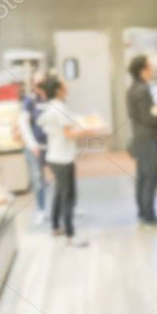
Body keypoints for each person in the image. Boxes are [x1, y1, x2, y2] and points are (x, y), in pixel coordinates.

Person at [38, 78, 100, 247]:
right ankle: (71, 236)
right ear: (58, 90)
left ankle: (56, 226)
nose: (68, 88)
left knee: (59, 194)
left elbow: (73, 119)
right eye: (65, 86)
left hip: (54, 157)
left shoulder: (52, 107)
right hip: (63, 159)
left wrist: (87, 120)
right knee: (69, 198)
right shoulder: (59, 108)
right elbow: (68, 133)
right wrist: (90, 130)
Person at [126, 55, 157, 229]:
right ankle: (149, 216)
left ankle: (143, 213)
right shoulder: (142, 90)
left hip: (140, 138)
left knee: (142, 177)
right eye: (149, 67)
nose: (152, 70)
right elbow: (148, 117)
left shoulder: (133, 88)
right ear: (142, 70)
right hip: (149, 140)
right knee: (151, 178)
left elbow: (143, 113)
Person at [19, 72, 49, 223]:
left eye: (43, 82)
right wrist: (32, 145)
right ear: (33, 85)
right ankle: (41, 209)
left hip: (53, 146)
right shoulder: (29, 101)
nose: (41, 87)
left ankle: (66, 207)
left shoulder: (53, 99)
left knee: (63, 176)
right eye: (38, 84)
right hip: (35, 147)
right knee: (38, 179)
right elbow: (23, 124)